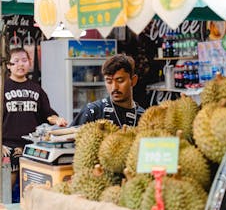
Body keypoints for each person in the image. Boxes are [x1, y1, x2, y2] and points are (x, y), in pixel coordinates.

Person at [2, 47, 68, 196]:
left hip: (32, 147)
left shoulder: (36, 89)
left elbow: (48, 114)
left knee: (32, 187)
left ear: (30, 62)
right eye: (16, 61)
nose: (20, 64)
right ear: (8, 65)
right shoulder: (3, 88)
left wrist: (58, 120)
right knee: (6, 191)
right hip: (7, 146)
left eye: (24, 60)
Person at [70, 54, 145, 128]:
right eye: (109, 81)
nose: (114, 87)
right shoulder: (92, 112)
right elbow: (69, 136)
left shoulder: (144, 117)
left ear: (133, 81)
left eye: (120, 80)